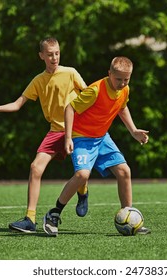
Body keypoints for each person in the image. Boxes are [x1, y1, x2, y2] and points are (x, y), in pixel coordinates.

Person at [43, 56, 151, 237]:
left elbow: (122, 107)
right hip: (82, 138)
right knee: (82, 174)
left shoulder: (124, 90)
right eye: (118, 79)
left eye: (127, 79)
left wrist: (133, 130)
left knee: (125, 171)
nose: (122, 83)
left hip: (101, 138)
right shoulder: (95, 90)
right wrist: (68, 137)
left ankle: (129, 216)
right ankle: (54, 214)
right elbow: (70, 108)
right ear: (109, 74)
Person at [0, 37, 89, 233]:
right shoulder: (38, 80)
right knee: (35, 167)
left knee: (81, 170)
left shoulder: (71, 73)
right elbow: (18, 104)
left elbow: (88, 97)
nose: (54, 57)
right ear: (41, 56)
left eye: (57, 53)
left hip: (77, 130)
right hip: (55, 131)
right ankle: (30, 219)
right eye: (50, 54)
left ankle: (82, 191)